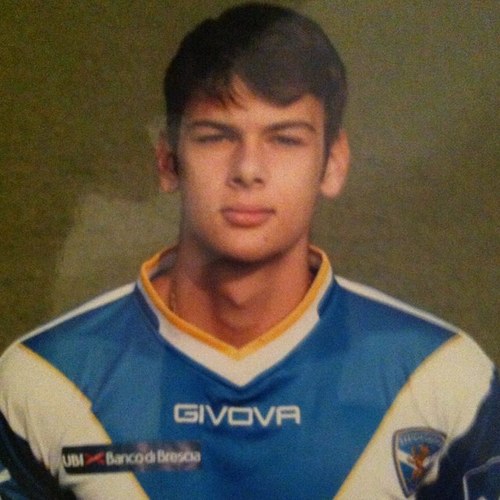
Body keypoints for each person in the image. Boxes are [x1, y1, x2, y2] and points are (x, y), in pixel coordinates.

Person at [0, 3, 498, 498]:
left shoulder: (446, 383)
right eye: (216, 137)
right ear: (168, 161)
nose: (248, 170)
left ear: (332, 163)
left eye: (285, 140)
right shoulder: (43, 384)